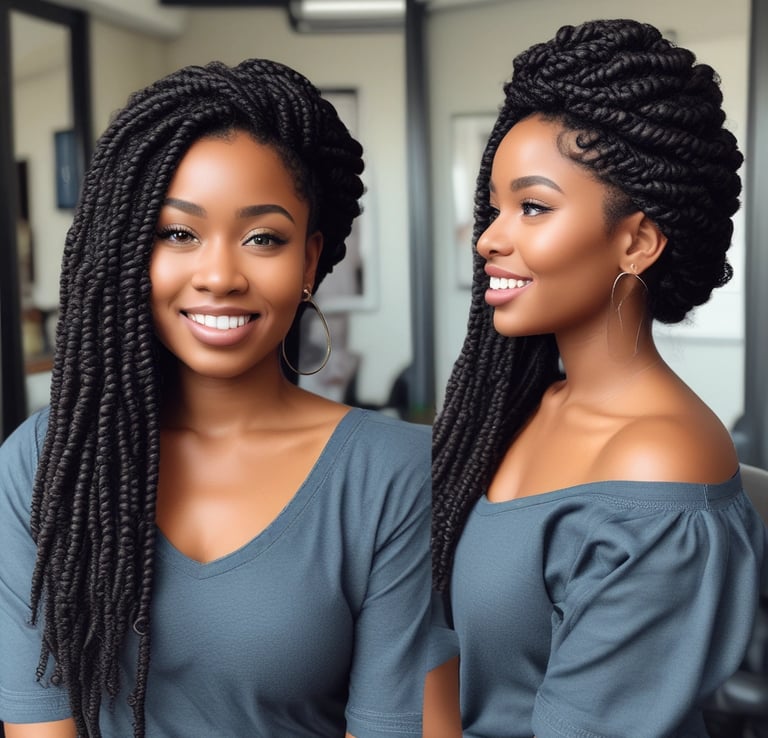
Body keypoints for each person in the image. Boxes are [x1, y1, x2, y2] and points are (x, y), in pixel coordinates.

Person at [0, 58, 431, 738]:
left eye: (264, 238)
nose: (220, 275)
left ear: (310, 260)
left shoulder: (398, 476)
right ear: (126, 252)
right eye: (178, 234)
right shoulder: (45, 462)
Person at [427, 18, 767, 738]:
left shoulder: (658, 470)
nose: (489, 236)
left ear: (637, 242)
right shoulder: (528, 403)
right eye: (494, 205)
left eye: (533, 207)